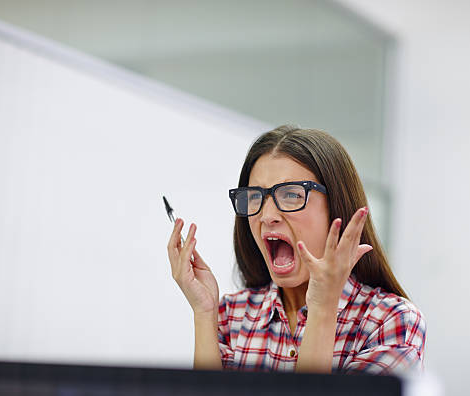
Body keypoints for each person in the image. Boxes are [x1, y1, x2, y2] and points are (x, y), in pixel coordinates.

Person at [167, 125, 426, 374]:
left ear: (336, 205)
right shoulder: (230, 316)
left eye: (291, 195)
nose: (267, 216)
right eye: (255, 197)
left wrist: (323, 307)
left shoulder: (390, 321)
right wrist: (203, 313)